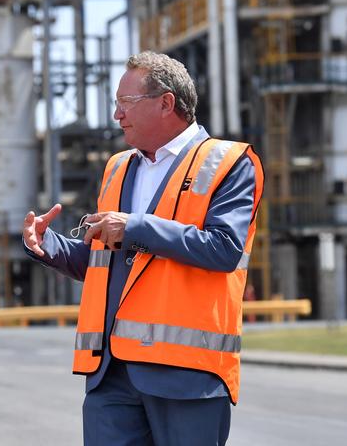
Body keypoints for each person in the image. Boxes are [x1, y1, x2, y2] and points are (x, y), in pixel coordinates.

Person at [23, 51, 263, 446]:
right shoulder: (118, 166)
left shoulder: (229, 162)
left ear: (166, 103)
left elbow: (224, 250)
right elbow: (106, 264)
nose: (117, 115)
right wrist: (48, 245)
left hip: (186, 375)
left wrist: (135, 227)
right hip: (111, 375)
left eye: (125, 103)